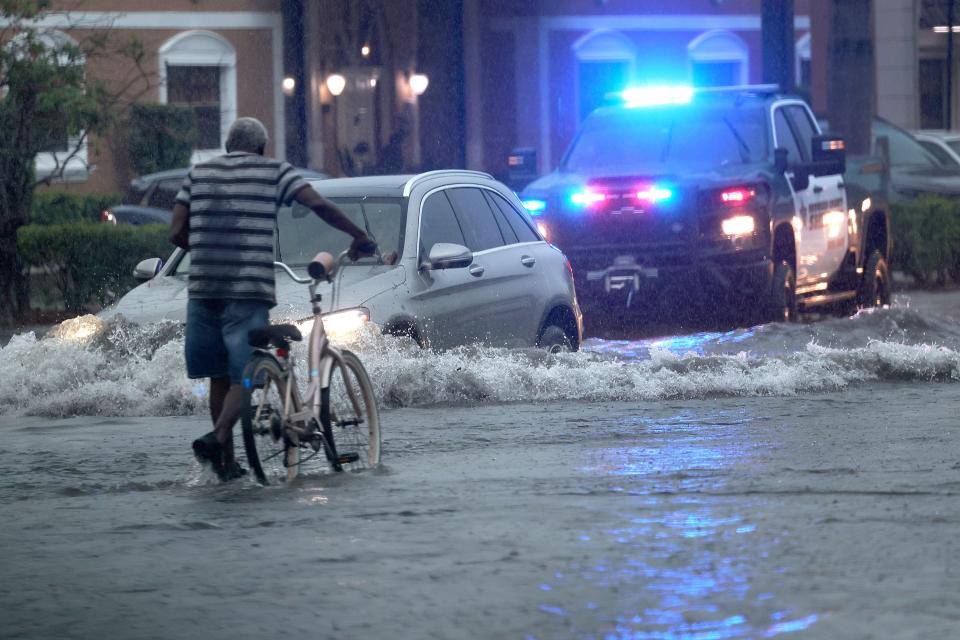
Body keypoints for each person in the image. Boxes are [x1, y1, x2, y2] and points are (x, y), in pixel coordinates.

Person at [169, 117, 375, 480]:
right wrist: (359, 235)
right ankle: (218, 438)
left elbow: (176, 231)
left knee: (219, 376)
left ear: (228, 145)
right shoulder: (273, 171)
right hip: (247, 287)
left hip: (203, 287)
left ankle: (227, 463)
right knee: (243, 372)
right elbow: (318, 204)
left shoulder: (198, 174)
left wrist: (207, 251)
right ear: (261, 148)